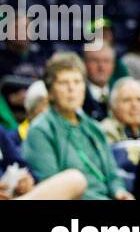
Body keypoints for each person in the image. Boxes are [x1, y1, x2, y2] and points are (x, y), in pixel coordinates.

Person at [21, 53, 132, 200]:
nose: (71, 88)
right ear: (51, 92)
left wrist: (120, 192)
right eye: (63, 83)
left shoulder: (94, 128)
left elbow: (112, 176)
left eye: (77, 82)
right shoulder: (41, 130)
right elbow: (52, 188)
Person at [99, 77, 140, 144]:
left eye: (139, 100)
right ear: (113, 106)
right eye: (127, 100)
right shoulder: (104, 132)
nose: (134, 105)